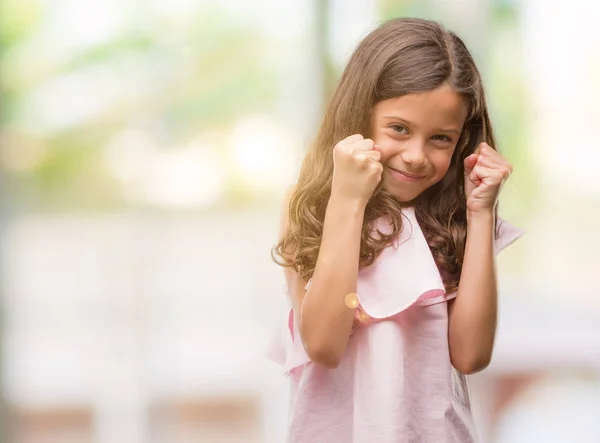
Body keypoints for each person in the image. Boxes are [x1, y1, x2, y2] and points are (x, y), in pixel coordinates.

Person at [267, 17, 524, 443]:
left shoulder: (457, 217)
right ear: (360, 114)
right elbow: (325, 344)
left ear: (462, 141)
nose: (415, 156)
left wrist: (480, 215)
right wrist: (347, 202)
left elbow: (470, 354)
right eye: (399, 129)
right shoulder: (311, 207)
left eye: (441, 138)